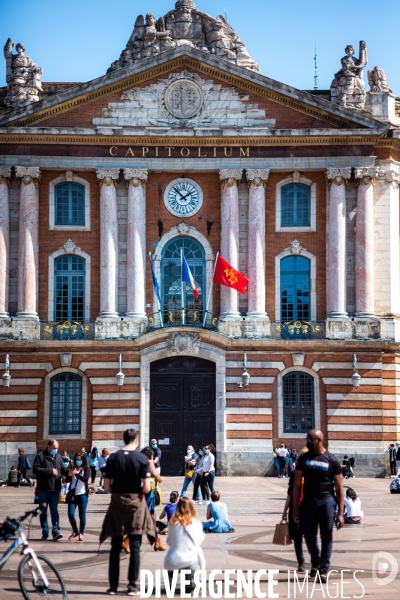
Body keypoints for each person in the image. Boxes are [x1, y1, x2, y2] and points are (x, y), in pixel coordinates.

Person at [100, 429, 155, 596]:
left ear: (123, 440)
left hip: (117, 504)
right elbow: (146, 488)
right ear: (136, 441)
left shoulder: (113, 458)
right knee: (136, 546)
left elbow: (106, 487)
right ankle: (132, 585)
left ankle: (113, 587)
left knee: (115, 547)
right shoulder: (141, 459)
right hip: (136, 505)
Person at [292, 429, 344, 584]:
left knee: (327, 536)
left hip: (327, 501)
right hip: (308, 501)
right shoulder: (303, 459)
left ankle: (323, 569)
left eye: (309, 440)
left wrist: (340, 513)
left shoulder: (331, 460)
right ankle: (316, 559)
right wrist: (295, 509)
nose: (306, 442)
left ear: (318, 441)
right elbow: (296, 485)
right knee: (308, 536)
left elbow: (340, 488)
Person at [164, 497, 206, 594]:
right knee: (194, 561)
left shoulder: (172, 522)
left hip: (172, 560)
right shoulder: (196, 523)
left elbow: (169, 541)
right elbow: (200, 540)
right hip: (189, 560)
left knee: (171, 558)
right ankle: (190, 581)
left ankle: (171, 579)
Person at [33, 439, 69, 541]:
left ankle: (56, 531)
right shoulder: (40, 456)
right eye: (54, 448)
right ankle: (45, 532)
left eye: (57, 448)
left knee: (54, 510)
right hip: (43, 489)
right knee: (43, 511)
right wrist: (50, 471)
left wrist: (69, 472)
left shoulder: (58, 457)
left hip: (55, 489)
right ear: (48, 446)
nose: (56, 450)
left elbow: (62, 469)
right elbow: (35, 469)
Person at [282, 447, 308, 572]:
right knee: (307, 537)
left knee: (298, 538)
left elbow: (290, 494)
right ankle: (310, 562)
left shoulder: (295, 474)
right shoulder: (296, 474)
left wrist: (285, 510)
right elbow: (290, 493)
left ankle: (301, 562)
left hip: (297, 509)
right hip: (307, 509)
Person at [141, 446, 166, 552]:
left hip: (138, 492)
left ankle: (156, 541)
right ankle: (156, 542)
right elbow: (157, 477)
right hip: (148, 492)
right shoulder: (149, 463)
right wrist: (160, 478)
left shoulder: (138, 462)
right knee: (151, 517)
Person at [66, 451, 90, 541]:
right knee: (71, 514)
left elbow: (85, 479)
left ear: (83, 460)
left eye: (79, 460)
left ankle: (81, 533)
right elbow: (67, 480)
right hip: (73, 495)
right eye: (76, 460)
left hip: (82, 494)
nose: (78, 461)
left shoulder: (86, 469)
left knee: (82, 515)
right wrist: (69, 475)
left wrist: (77, 474)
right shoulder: (73, 468)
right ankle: (75, 531)